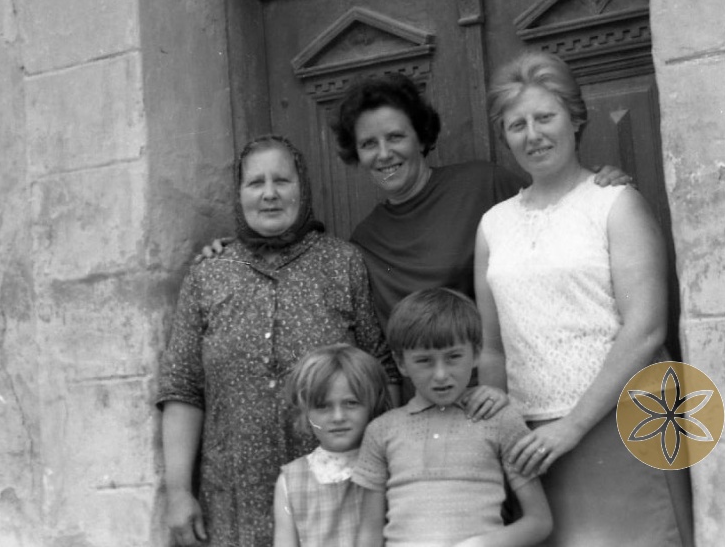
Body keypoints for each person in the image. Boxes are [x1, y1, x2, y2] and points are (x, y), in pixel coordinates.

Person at [474, 52, 693, 546]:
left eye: (545, 117)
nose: (533, 135)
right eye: (517, 125)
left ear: (574, 118)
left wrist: (571, 427)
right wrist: (500, 438)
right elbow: (492, 349)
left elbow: (646, 330)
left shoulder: (615, 203)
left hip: (626, 421)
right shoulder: (493, 225)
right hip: (533, 443)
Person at [158, 135, 396, 547]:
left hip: (336, 495)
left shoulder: (342, 263)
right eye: (256, 183)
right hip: (235, 497)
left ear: (302, 188)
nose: (269, 193)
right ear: (239, 194)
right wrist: (178, 492)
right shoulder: (208, 274)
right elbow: (183, 388)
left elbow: (381, 373)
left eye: (282, 180)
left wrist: (386, 468)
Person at [330, 72, 629, 326]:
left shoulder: (482, 184)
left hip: (510, 366)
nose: (384, 154)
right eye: (368, 144)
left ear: (420, 138)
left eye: (395, 137)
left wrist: (595, 187)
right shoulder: (365, 240)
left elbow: (564, 217)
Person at [353, 288, 552, 547]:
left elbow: (539, 521)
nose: (441, 374)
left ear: (476, 353)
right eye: (424, 361)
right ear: (401, 363)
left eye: (453, 357)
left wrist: (479, 545)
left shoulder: (499, 420)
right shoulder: (381, 431)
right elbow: (369, 534)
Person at [274, 343, 393, 547]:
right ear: (305, 410)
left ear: (372, 404)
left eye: (351, 403)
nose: (338, 417)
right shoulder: (291, 481)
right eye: (323, 406)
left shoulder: (390, 465)